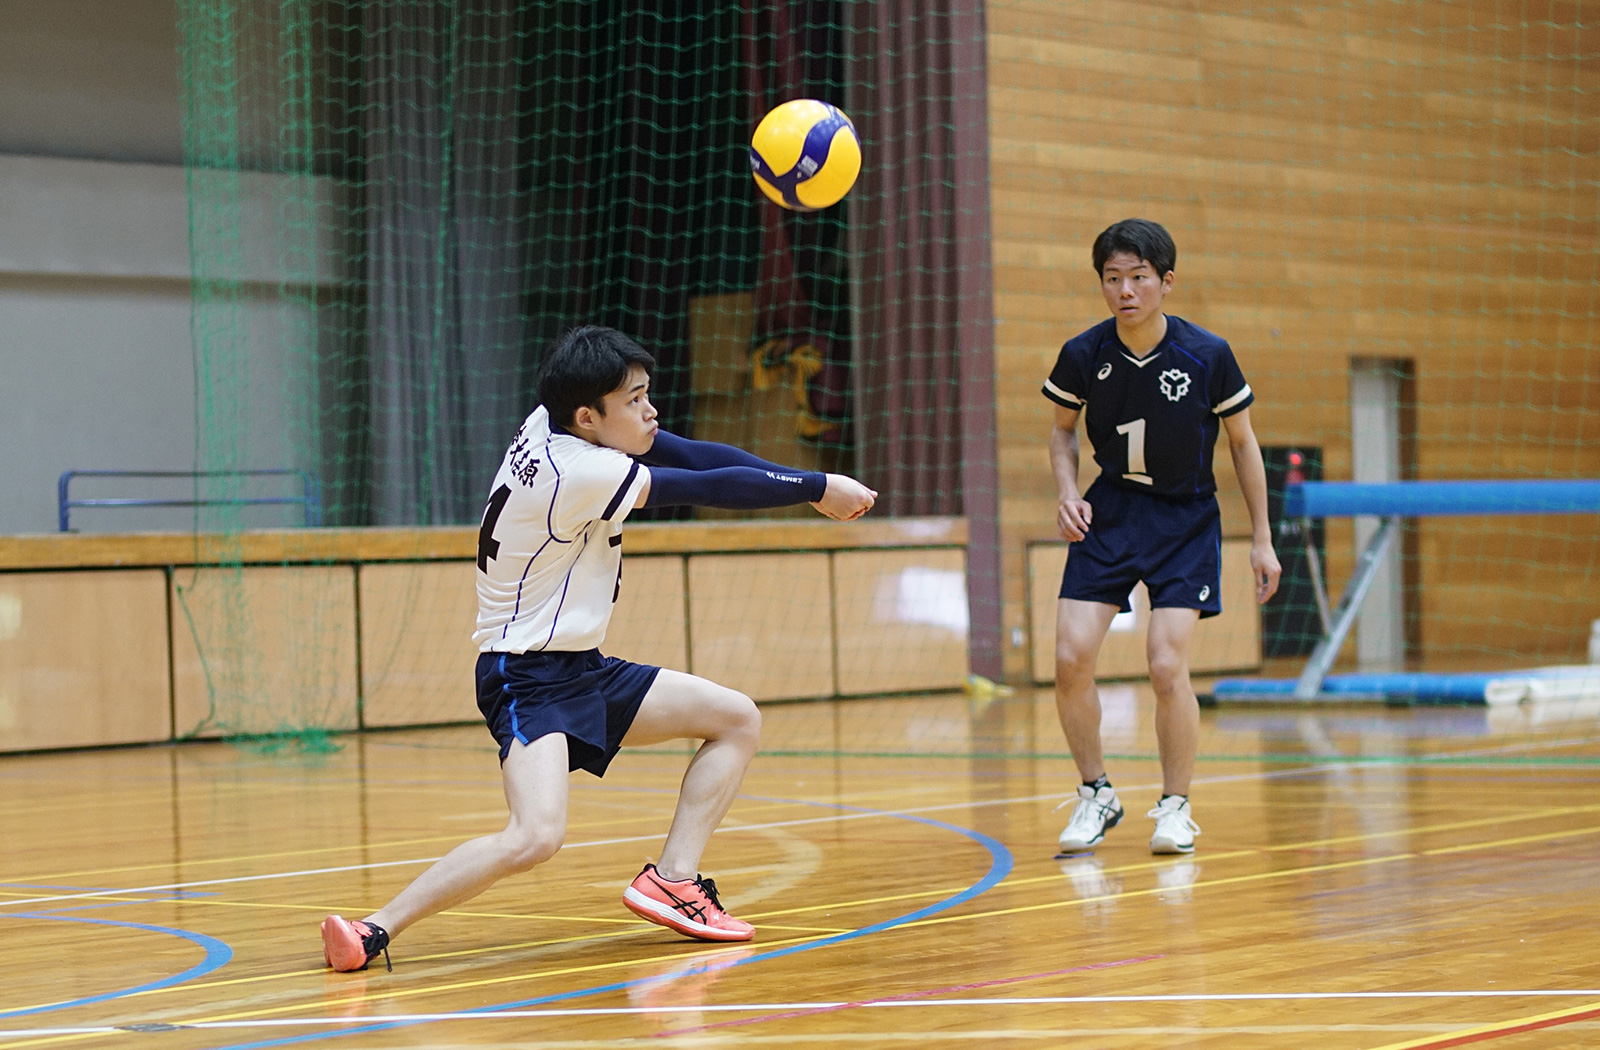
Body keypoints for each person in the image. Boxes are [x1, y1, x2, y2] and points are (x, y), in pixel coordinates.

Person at [321, 325, 877, 972]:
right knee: (536, 836)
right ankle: (372, 930)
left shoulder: (552, 424)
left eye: (647, 395)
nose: (650, 411)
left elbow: (690, 453)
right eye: (634, 400)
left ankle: (674, 879)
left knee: (734, 719)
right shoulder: (578, 471)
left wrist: (816, 482)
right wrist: (815, 488)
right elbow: (708, 485)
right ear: (588, 417)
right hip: (525, 677)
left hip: (581, 667)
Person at [1042, 219, 1280, 856]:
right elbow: (1062, 432)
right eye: (1113, 279)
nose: (1125, 290)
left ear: (1166, 282)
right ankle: (1097, 793)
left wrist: (1262, 538)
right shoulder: (1083, 354)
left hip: (1185, 518)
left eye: (1138, 277)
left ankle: (1175, 807)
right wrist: (1068, 492)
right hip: (1110, 512)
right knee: (1069, 659)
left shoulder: (1209, 354)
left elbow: (1243, 444)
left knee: (1167, 664)